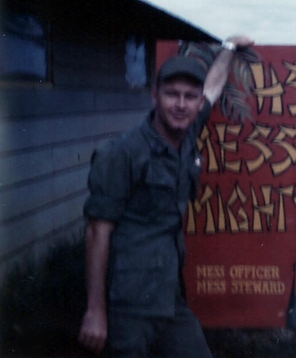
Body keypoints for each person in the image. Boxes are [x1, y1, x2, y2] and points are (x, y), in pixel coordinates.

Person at [78, 35, 254, 357]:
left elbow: (213, 87)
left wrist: (229, 48)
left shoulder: (187, 134)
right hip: (127, 305)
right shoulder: (122, 153)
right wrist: (95, 311)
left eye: (190, 97)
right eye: (172, 94)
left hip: (169, 297)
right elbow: (96, 232)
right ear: (154, 96)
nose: (181, 104)